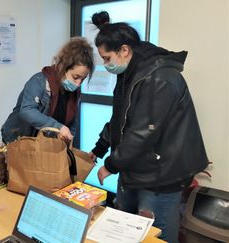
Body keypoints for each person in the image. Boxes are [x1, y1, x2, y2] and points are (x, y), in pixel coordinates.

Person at [89, 11, 208, 243]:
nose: (105, 65)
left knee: (156, 235)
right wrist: (100, 147)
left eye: (106, 58)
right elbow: (119, 119)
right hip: (136, 167)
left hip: (161, 174)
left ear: (124, 50)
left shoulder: (159, 78)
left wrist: (111, 165)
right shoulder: (130, 74)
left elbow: (144, 132)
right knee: (126, 230)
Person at [1, 37, 94, 144]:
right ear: (63, 67)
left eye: (83, 79)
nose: (78, 84)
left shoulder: (74, 92)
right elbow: (27, 111)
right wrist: (58, 127)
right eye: (75, 77)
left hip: (43, 144)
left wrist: (68, 140)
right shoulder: (39, 81)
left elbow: (72, 122)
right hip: (18, 139)